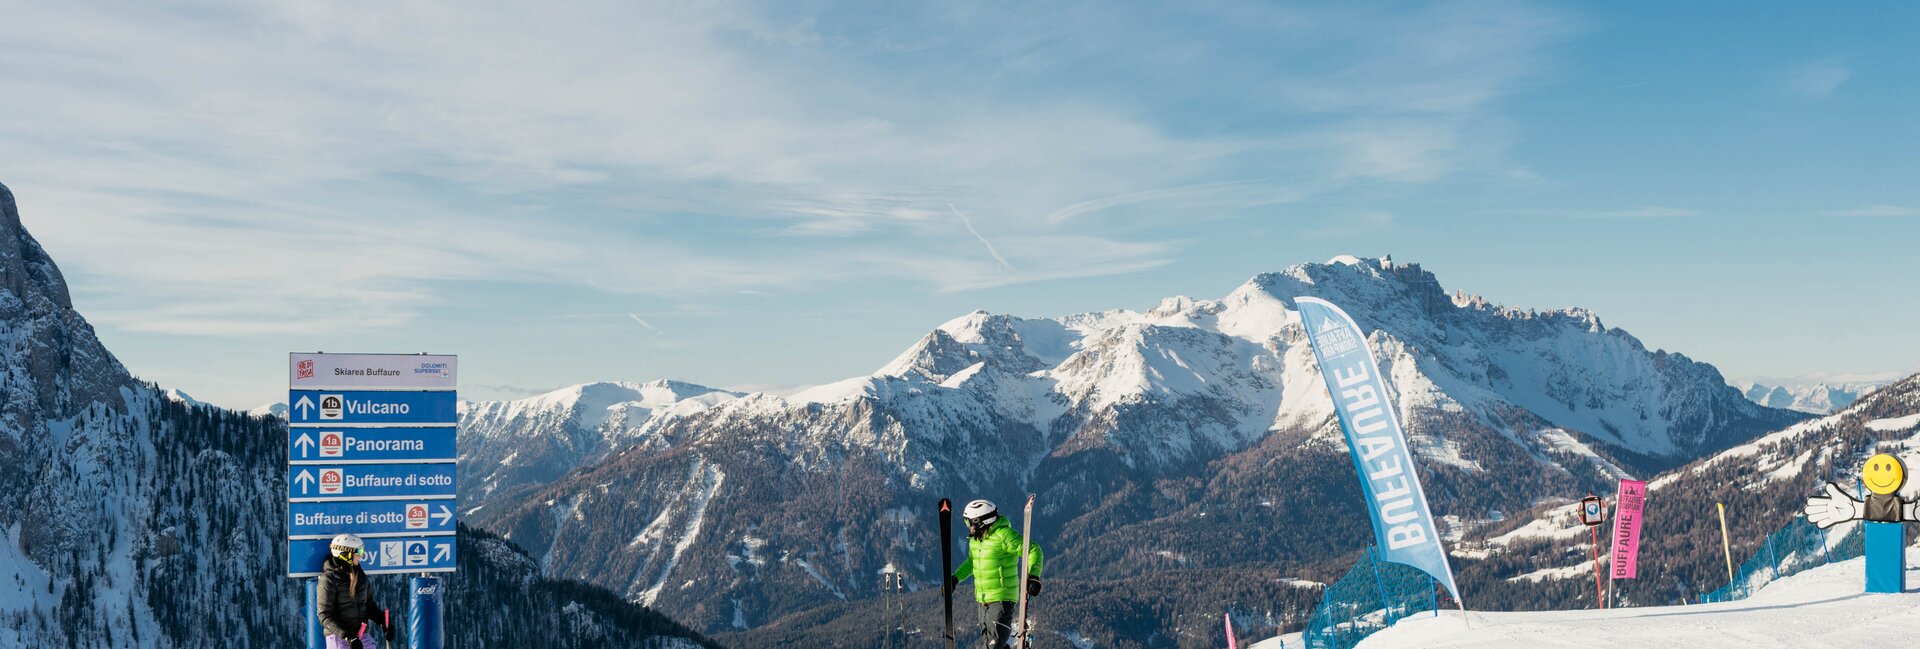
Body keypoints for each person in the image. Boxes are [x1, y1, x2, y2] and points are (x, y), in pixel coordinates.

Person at [947, 500, 1043, 649]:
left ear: (981, 521)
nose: (968, 527)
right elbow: (972, 562)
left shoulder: (1003, 535)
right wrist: (955, 578)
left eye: (969, 522)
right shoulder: (976, 541)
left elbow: (1033, 550)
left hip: (1001, 598)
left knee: (994, 645)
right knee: (991, 643)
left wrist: (1034, 576)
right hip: (982, 599)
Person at [317, 534, 396, 649]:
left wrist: (383, 621)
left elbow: (368, 605)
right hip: (340, 637)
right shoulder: (329, 579)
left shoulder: (360, 575)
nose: (361, 556)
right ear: (345, 553)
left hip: (362, 635)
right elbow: (324, 615)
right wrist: (348, 636)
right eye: (358, 552)